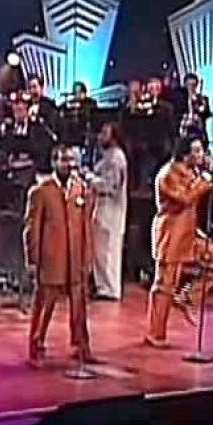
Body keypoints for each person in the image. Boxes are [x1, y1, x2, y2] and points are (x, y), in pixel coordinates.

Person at [146, 135, 213, 349]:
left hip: (190, 233)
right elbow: (185, 198)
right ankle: (155, 334)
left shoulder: (194, 172)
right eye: (197, 151)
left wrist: (207, 176)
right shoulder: (168, 174)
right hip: (171, 233)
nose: (201, 155)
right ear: (185, 154)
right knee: (164, 285)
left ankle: (188, 295)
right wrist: (205, 181)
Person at [24, 145, 99, 371]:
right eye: (64, 160)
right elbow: (32, 229)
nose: (70, 164)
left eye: (72, 160)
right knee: (44, 305)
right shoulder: (41, 191)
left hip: (75, 258)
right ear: (54, 162)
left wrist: (87, 256)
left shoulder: (80, 189)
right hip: (51, 259)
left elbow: (86, 226)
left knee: (79, 305)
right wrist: (33, 259)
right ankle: (36, 346)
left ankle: (81, 346)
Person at [89, 123, 128, 300]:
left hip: (111, 209)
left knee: (108, 250)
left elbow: (111, 186)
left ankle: (110, 289)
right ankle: (102, 286)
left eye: (104, 133)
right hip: (102, 207)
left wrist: (90, 178)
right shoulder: (107, 156)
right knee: (101, 250)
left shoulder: (116, 158)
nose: (100, 136)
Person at [177, 72, 212, 142]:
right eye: (189, 85)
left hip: (198, 133)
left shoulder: (202, 99)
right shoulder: (179, 98)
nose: (191, 88)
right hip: (183, 132)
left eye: (193, 85)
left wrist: (198, 105)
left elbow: (207, 113)